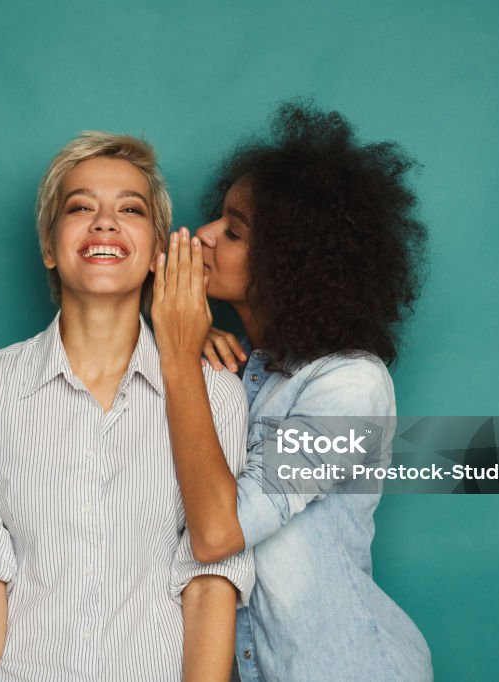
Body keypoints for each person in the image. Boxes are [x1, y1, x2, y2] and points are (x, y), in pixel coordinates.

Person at [0, 131, 253, 681]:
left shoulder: (216, 394)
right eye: (80, 207)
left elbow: (209, 584)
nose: (105, 222)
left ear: (156, 253)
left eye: (130, 208)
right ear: (49, 248)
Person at [150, 102, 434, 681]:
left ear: (289, 264)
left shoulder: (353, 387)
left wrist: (179, 351)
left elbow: (218, 534)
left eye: (232, 232)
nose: (202, 236)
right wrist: (188, 342)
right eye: (216, 220)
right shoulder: (238, 372)